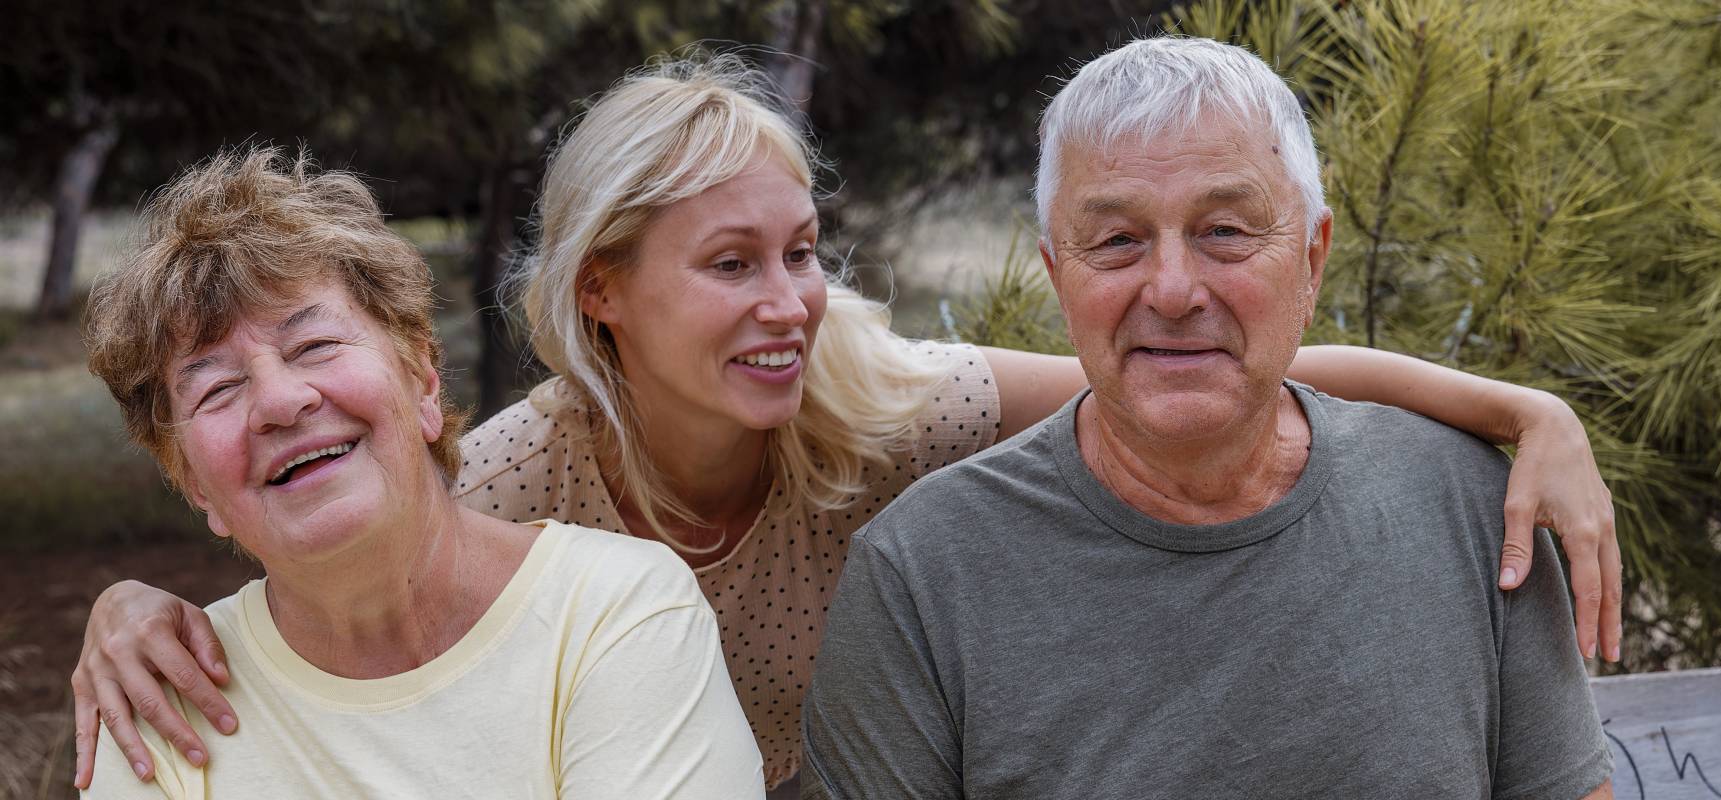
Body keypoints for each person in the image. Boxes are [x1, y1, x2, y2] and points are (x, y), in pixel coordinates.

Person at [71, 54, 1621, 794]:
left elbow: (1165, 373)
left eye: (806, 253)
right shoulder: (507, 495)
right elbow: (331, 554)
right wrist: (134, 607)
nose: (790, 303)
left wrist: (1506, 406)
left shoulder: (874, 406)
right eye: (733, 264)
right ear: (601, 287)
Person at [803, 37, 1614, 798]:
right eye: (1117, 240)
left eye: (1224, 232)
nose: (1172, 289)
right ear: (1057, 274)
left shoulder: (1468, 509)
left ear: (1312, 259)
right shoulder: (922, 575)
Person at [79, 148, 763, 798]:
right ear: (194, 483)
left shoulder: (618, 616)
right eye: (217, 390)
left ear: (423, 383)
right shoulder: (158, 695)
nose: (280, 403)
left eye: (314, 345)